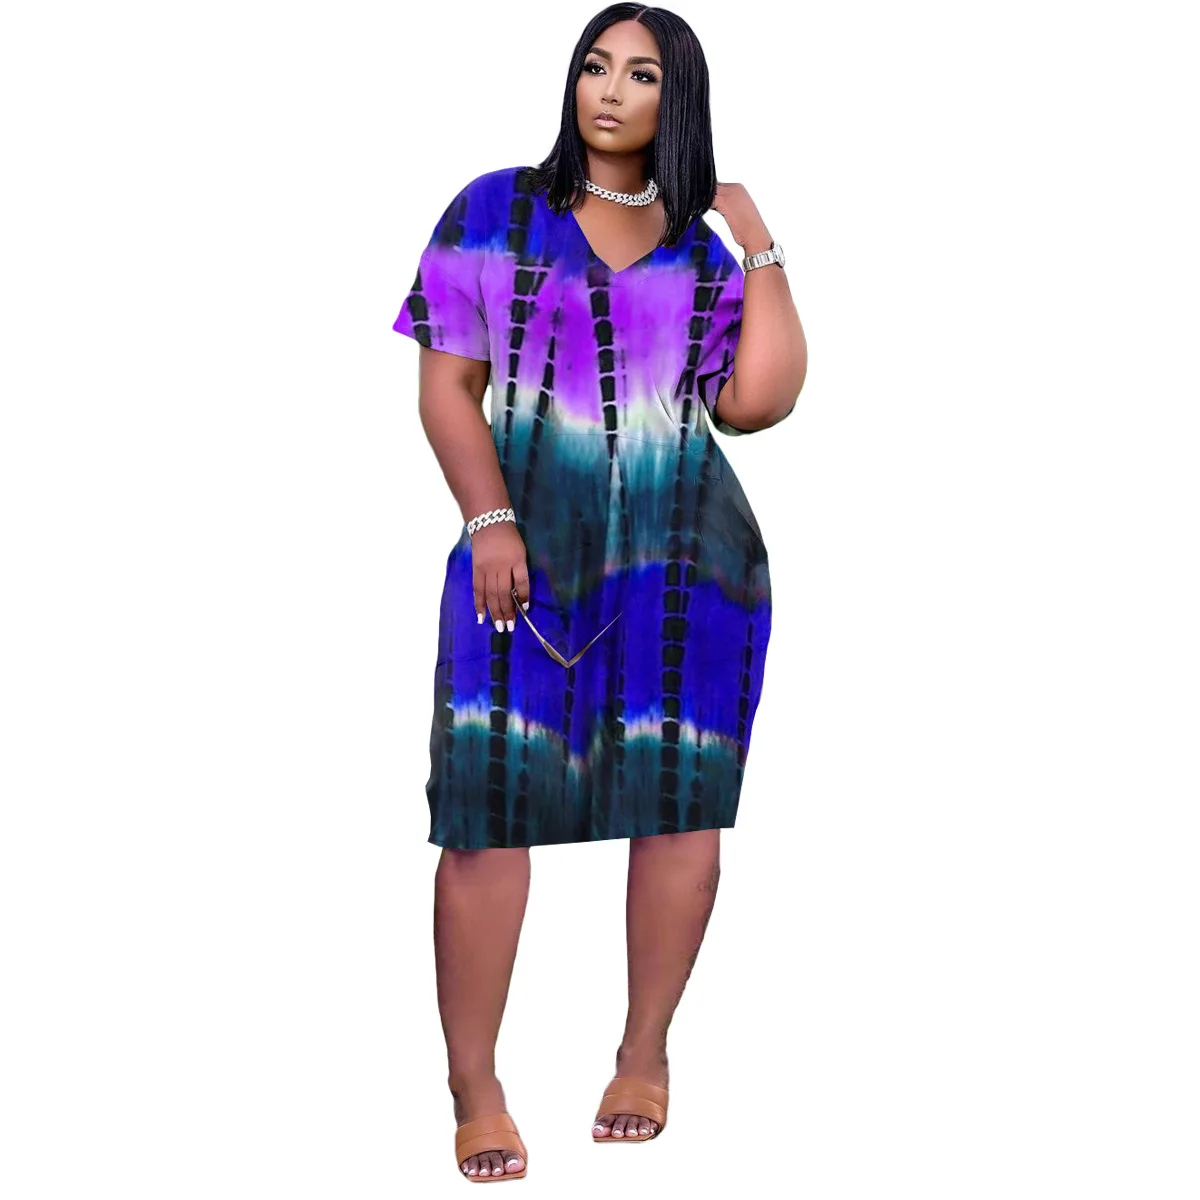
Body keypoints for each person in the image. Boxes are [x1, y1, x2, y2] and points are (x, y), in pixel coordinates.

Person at [391, 3, 806, 1182]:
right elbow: (446, 387)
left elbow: (758, 403)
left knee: (680, 814)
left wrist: (756, 238)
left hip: (687, 569)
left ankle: (643, 1051)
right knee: (483, 823)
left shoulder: (699, 249)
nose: (610, 90)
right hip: (516, 565)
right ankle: (474, 1083)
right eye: (595, 64)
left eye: (643, 75)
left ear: (681, 102)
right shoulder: (493, 210)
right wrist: (489, 520)